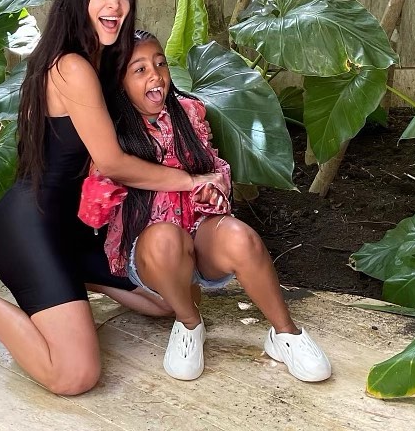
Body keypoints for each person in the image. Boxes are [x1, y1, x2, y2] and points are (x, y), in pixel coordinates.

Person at [0, 0, 227, 396]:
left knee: (171, 299)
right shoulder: (70, 66)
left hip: (78, 232)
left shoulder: (107, 60)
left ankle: (72, 281)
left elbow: (161, 121)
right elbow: (113, 163)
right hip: (31, 225)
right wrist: (192, 182)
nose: (114, 5)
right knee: (74, 375)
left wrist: (209, 170)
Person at [78, 30, 332, 383]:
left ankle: (285, 334)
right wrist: (104, 185)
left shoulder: (189, 112)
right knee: (165, 238)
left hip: (200, 234)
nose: (156, 75)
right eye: (140, 70)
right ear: (119, 82)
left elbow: (215, 168)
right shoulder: (111, 131)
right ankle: (189, 324)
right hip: (151, 253)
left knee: (241, 237)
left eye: (160, 64)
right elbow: (94, 212)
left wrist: (213, 190)